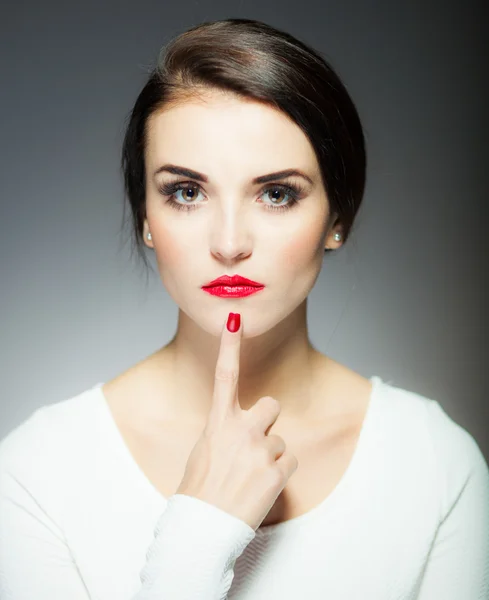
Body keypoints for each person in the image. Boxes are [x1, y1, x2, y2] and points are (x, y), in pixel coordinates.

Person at [0, 17, 488, 600]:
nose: (229, 243)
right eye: (186, 191)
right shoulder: (37, 472)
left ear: (338, 219)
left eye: (276, 193)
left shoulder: (431, 463)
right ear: (144, 219)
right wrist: (197, 537)